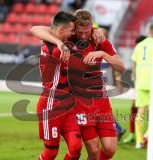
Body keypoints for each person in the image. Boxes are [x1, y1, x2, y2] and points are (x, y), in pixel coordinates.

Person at [31, 9, 125, 160]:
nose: (82, 35)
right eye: (79, 32)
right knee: (92, 150)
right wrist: (59, 42)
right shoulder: (70, 36)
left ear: (91, 27)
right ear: (74, 28)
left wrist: (103, 54)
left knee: (109, 149)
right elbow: (35, 29)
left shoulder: (99, 39)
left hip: (101, 101)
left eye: (86, 31)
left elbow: (121, 67)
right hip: (81, 103)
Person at [36, 11, 82, 160]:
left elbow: (41, 30)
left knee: (75, 148)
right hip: (51, 106)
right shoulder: (53, 49)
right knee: (50, 152)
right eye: (71, 30)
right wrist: (60, 44)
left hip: (68, 106)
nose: (73, 33)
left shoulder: (60, 43)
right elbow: (34, 29)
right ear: (62, 30)